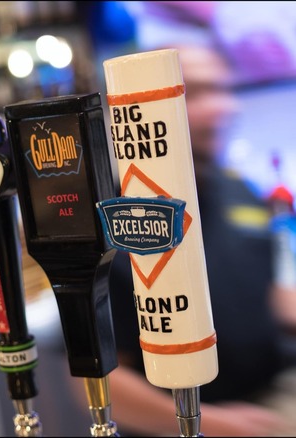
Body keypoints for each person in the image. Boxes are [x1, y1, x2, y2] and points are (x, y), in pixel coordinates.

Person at [106, 44, 296, 437]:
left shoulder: (237, 188)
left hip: (274, 390)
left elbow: (269, 296)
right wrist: (218, 425)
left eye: (223, 90)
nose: (224, 107)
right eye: (198, 93)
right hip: (189, 421)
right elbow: (100, 380)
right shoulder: (117, 216)